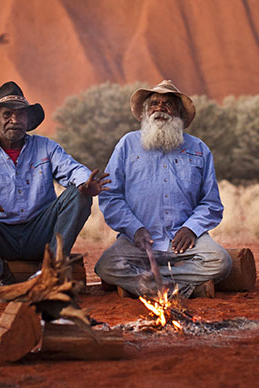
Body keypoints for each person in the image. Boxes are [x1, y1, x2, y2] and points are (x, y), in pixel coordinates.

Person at [0, 81, 109, 285]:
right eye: (7, 114)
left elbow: (73, 169)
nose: (14, 120)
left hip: (40, 235)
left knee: (80, 195)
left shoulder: (46, 147)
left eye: (21, 114)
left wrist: (85, 182)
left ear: (28, 120)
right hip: (1, 237)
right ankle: (1, 276)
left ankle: (50, 270)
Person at [95, 80, 231, 297]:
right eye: (154, 103)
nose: (160, 108)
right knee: (106, 265)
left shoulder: (198, 149)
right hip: (139, 241)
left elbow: (211, 202)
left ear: (178, 113)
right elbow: (111, 195)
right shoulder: (127, 145)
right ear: (145, 112)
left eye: (168, 103)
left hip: (185, 243)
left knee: (221, 262)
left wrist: (191, 229)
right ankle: (183, 287)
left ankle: (150, 284)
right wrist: (134, 228)